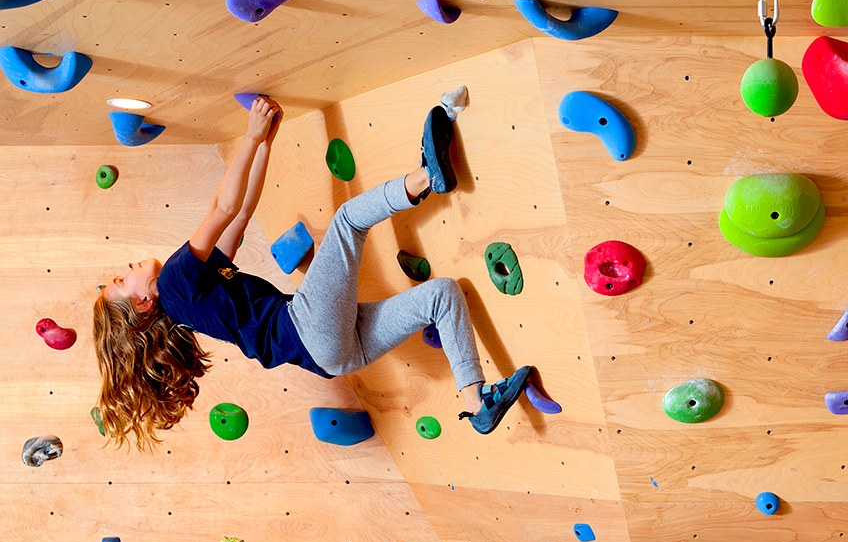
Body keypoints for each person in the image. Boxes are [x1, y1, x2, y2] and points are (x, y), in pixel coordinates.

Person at [92, 95, 530, 450]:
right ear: (143, 303)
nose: (126, 269)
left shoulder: (192, 297)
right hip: (307, 329)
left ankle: (477, 402)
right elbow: (222, 207)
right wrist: (249, 136)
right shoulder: (174, 283)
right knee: (348, 221)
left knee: (442, 295)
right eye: (120, 280)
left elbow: (242, 214)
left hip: (333, 356)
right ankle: (426, 176)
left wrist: (266, 143)